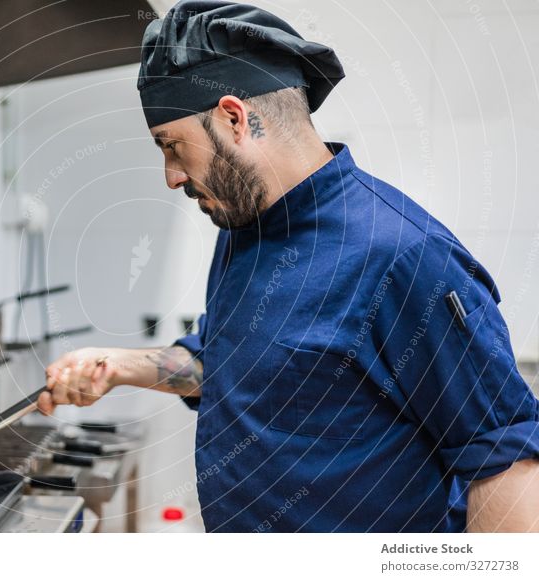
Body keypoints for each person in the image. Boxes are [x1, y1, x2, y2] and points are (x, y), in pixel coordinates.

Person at [37, 0, 539, 532]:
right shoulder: (245, 229)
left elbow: (503, 459)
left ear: (235, 118)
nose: (172, 176)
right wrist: (118, 367)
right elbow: (230, 365)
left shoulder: (405, 257)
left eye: (173, 147)